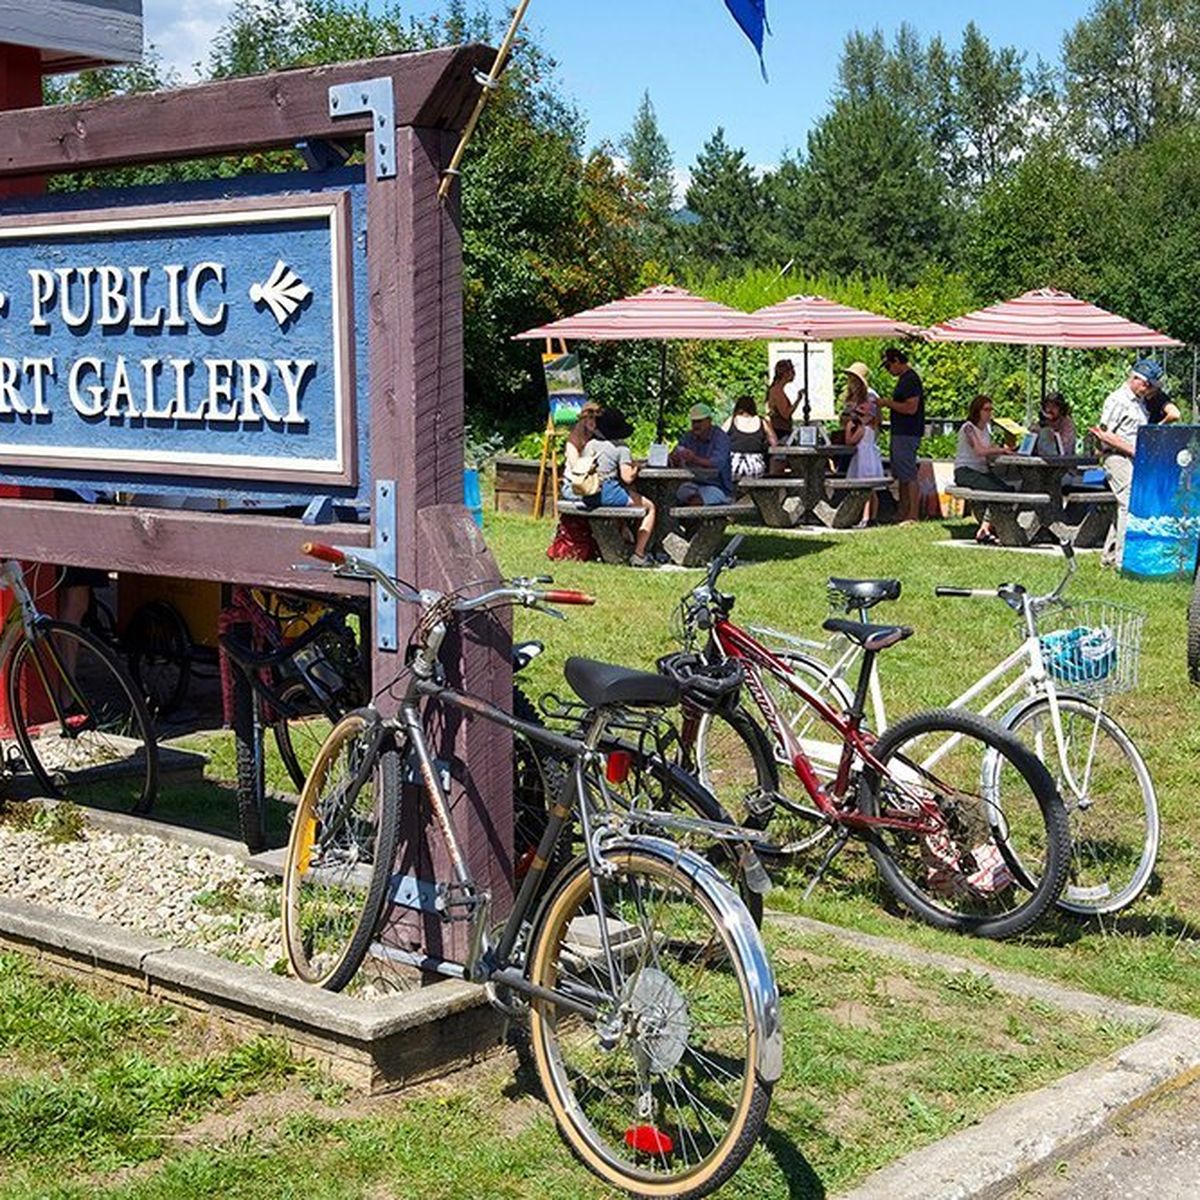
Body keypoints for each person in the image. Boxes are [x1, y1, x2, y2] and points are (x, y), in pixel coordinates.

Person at [1092, 359, 1158, 569]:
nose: (1149, 389)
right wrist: (1133, 450)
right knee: (1128, 503)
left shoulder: (1139, 402)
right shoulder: (1118, 400)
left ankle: (1110, 557)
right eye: (1147, 384)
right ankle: (1123, 562)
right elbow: (1103, 434)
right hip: (1117, 457)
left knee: (1124, 506)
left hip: (1134, 458)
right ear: (1136, 378)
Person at [582, 407, 656, 567]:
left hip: (588, 493)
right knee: (650, 507)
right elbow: (627, 477)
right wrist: (636, 467)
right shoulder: (621, 448)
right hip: (608, 492)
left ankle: (624, 532)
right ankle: (639, 553)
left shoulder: (591, 444)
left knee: (630, 495)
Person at [955, 395, 1014, 545]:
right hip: (966, 471)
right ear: (977, 411)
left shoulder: (986, 430)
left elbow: (988, 451)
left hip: (982, 471)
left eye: (991, 409)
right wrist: (1001, 450)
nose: (989, 413)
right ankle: (986, 529)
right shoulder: (968, 427)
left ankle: (986, 528)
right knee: (999, 492)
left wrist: (1006, 451)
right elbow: (980, 451)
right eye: (986, 409)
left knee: (1008, 490)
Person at [878, 347, 925, 523]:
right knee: (902, 475)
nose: (888, 370)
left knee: (908, 474)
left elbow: (911, 408)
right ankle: (903, 511)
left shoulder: (911, 380)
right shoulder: (905, 379)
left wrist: (887, 403)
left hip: (907, 432)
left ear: (897, 361)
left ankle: (913, 514)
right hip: (901, 432)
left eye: (888, 366)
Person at [671, 403, 733, 506]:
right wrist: (674, 459)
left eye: (699, 421)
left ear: (709, 421)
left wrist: (694, 459)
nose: (696, 425)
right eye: (693, 422)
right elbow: (675, 453)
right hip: (693, 484)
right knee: (671, 497)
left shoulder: (720, 438)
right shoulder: (688, 437)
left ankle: (692, 520)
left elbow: (717, 464)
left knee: (695, 501)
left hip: (718, 486)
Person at [723, 394, 776, 480]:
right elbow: (774, 442)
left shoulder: (732, 420)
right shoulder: (762, 421)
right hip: (755, 466)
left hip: (734, 466)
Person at [561, 400, 601, 497]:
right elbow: (576, 467)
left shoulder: (597, 436)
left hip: (594, 485)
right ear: (583, 420)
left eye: (597, 419)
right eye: (591, 418)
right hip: (575, 487)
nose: (594, 422)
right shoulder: (573, 441)